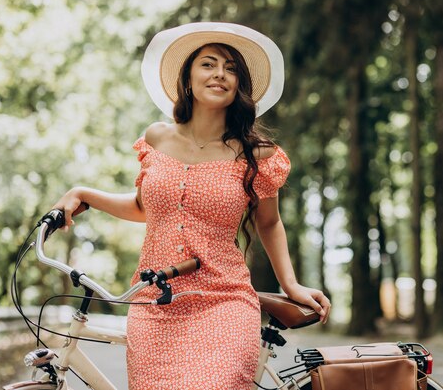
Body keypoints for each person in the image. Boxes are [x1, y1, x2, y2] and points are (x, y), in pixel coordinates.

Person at [53, 22, 331, 390]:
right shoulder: (156, 137)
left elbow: (269, 223)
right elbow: (144, 207)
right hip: (153, 304)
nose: (220, 74)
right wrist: (85, 193)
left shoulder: (257, 155)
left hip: (223, 301)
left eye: (231, 69)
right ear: (188, 79)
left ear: (240, 86)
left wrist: (290, 283)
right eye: (209, 64)